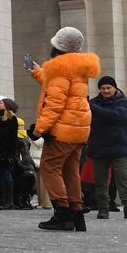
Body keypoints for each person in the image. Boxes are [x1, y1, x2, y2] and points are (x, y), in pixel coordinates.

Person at [29, 26, 99, 232]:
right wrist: (37, 72)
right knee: (70, 170)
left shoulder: (60, 67)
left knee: (49, 167)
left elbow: (55, 102)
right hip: (78, 128)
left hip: (62, 130)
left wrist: (39, 129)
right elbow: (58, 85)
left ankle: (62, 213)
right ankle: (77, 213)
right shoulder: (77, 67)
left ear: (57, 46)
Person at [87, 75, 127, 220]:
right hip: (99, 147)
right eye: (102, 88)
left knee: (123, 179)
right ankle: (103, 208)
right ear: (99, 89)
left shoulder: (122, 102)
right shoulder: (93, 103)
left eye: (108, 88)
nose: (105, 91)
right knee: (100, 181)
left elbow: (117, 116)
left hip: (119, 147)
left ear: (114, 88)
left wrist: (93, 108)